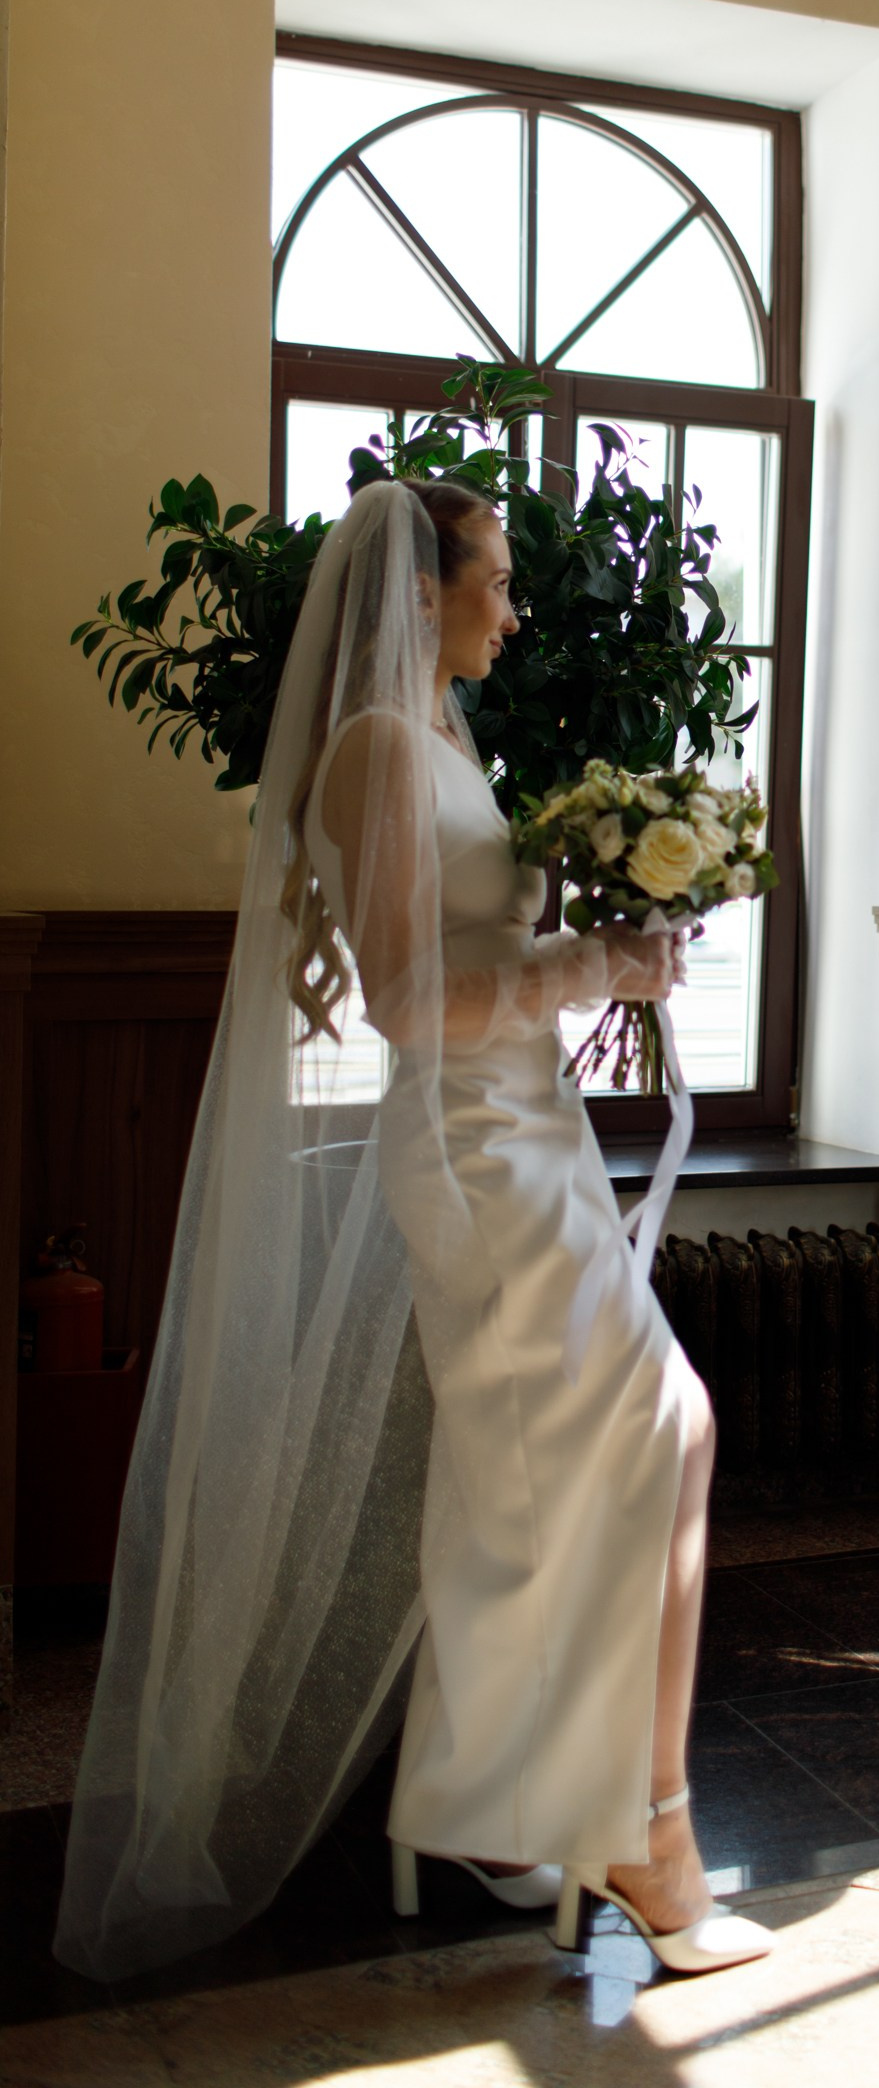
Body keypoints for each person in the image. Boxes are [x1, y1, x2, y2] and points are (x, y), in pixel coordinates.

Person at [56, 478, 771, 1979]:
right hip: (471, 1151)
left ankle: (485, 1811)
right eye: (494, 581)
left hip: (525, 1130)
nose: (513, 609)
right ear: (421, 590)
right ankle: (643, 1829)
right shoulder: (379, 749)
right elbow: (401, 1000)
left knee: (521, 1481)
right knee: (666, 1428)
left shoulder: (442, 739)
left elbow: (471, 946)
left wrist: (608, 945)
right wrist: (585, 973)